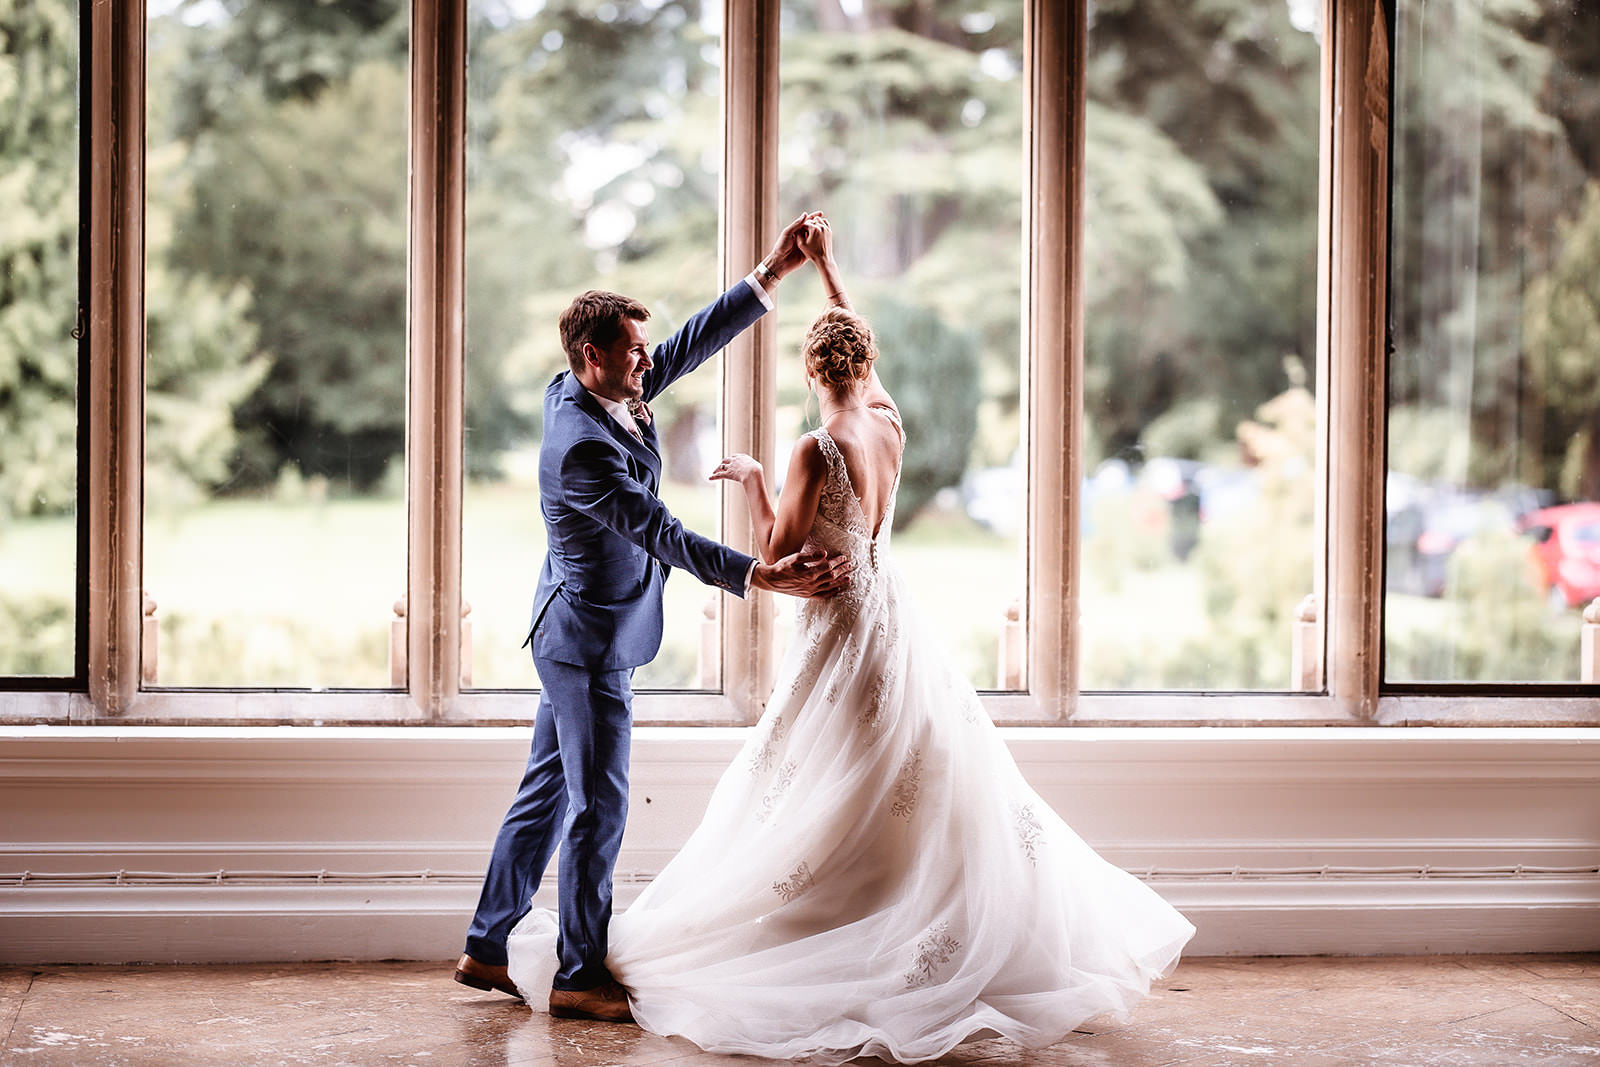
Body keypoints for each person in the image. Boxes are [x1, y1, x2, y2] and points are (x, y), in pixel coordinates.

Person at [506, 215, 1195, 1063]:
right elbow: (661, 513)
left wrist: (760, 508)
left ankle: (578, 957)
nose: (650, 360)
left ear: (811, 369)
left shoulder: (813, 447)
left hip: (829, 635)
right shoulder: (887, 419)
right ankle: (507, 940)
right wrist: (824, 272)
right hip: (880, 628)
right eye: (632, 351)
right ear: (866, 365)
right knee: (888, 781)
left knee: (796, 791)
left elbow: (766, 548)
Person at [455, 213, 853, 1023]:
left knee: (544, 793)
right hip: (589, 642)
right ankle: (576, 973)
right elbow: (658, 531)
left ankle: (487, 945)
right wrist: (759, 573)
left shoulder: (590, 384)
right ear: (591, 355)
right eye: (632, 349)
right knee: (597, 803)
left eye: (642, 349)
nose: (648, 358)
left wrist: (770, 274)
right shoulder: (581, 445)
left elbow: (680, 350)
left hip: (573, 628)